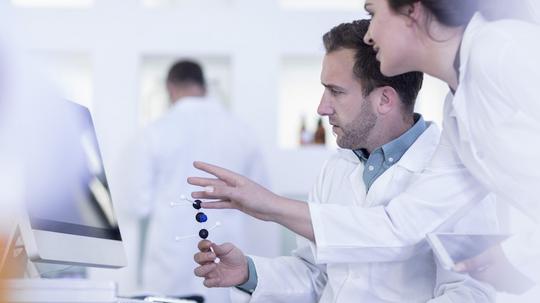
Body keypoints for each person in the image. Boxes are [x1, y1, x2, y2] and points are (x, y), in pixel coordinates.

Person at [191, 0, 540, 295]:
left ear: (412, 11)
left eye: (374, 11)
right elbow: (397, 229)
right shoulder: (458, 111)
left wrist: (520, 254)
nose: (371, 34)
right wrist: (254, 264)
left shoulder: (502, 50)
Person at [121, 60, 269, 303]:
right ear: (204, 87)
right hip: (229, 261)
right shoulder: (242, 132)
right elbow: (261, 201)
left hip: (171, 267)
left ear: (170, 88)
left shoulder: (155, 133)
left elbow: (136, 203)